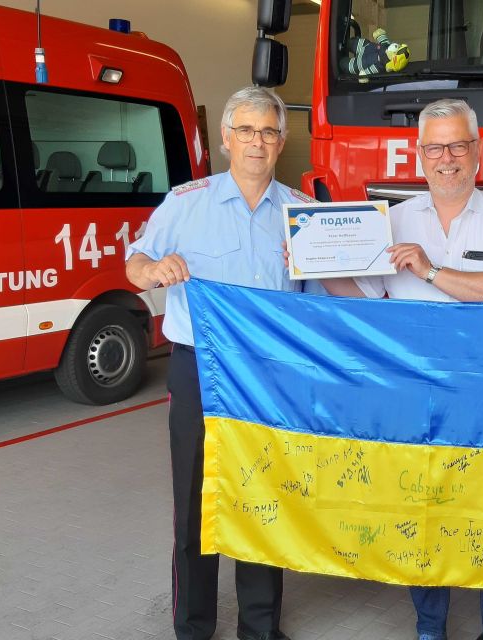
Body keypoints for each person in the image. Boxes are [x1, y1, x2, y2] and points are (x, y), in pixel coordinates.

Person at [312, 98, 483, 640]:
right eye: (434, 147)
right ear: (419, 155)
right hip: (415, 400)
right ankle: (429, 627)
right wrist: (314, 262)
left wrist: (431, 270)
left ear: (477, 152)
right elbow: (359, 295)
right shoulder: (389, 220)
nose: (447, 158)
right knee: (424, 516)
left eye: (458, 145)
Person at [126, 86, 309, 640]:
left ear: (282, 142)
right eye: (247, 131)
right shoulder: (187, 202)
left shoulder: (304, 212)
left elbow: (338, 294)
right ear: (226, 139)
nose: (258, 142)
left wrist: (317, 260)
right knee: (194, 503)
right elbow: (135, 262)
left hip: (270, 374)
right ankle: (193, 626)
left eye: (269, 132)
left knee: (263, 501)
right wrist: (154, 270)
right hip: (199, 369)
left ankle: (260, 627)